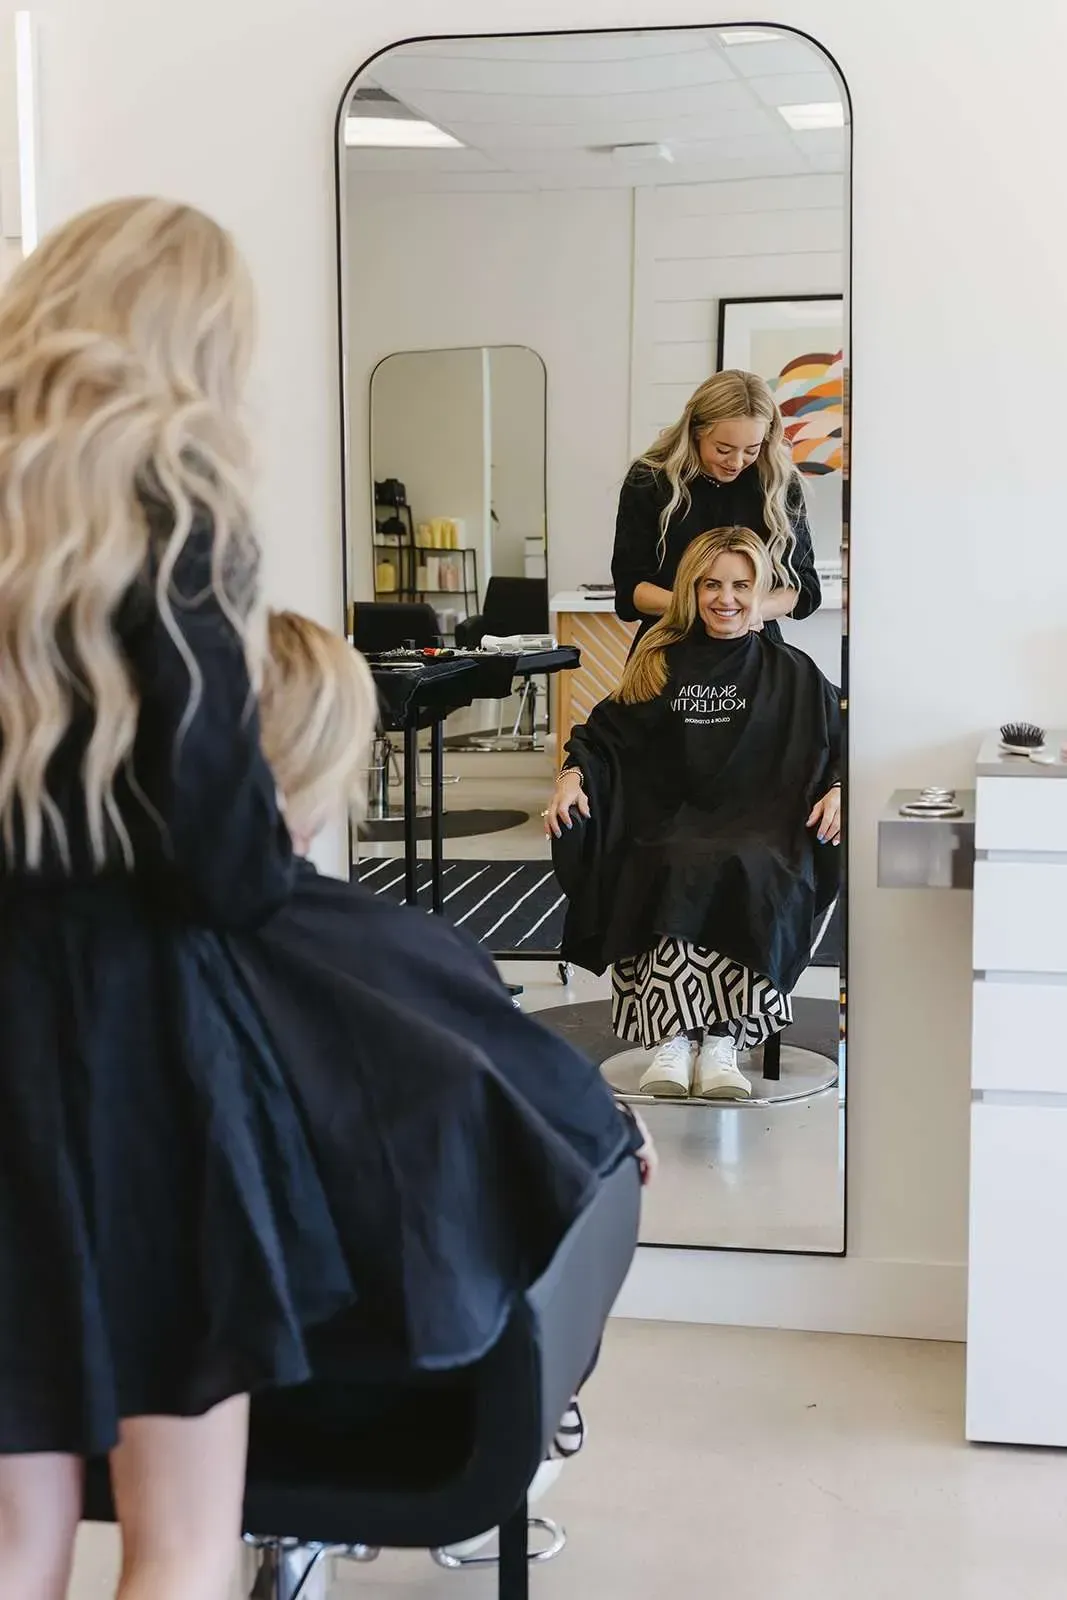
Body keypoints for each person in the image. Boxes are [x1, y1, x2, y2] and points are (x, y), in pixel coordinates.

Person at [0, 199, 357, 1600]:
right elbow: (226, 871)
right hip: (130, 1067)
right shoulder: (181, 539)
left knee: (13, 1540)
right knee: (181, 1538)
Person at [234, 610, 656, 1561]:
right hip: (398, 1397)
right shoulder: (397, 952)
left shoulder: (86, 956)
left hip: (117, 1377)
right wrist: (614, 1127)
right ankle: (547, 1420)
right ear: (334, 762)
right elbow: (554, 1119)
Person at [546, 527, 841, 1102]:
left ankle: (723, 1041)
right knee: (666, 856)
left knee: (750, 863)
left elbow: (841, 743)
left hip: (765, 822)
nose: (725, 598)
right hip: (671, 815)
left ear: (761, 591)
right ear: (691, 589)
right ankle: (674, 1040)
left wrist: (839, 789)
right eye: (711, 585)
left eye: (740, 585)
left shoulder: (793, 672)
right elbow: (601, 739)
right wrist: (571, 778)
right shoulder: (657, 662)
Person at [611, 369, 822, 649]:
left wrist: (752, 611)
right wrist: (698, 609)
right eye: (723, 449)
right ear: (696, 431)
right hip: (669, 648)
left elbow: (804, 588)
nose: (736, 462)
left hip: (754, 647)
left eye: (751, 450)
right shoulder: (650, 480)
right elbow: (629, 590)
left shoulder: (778, 482)